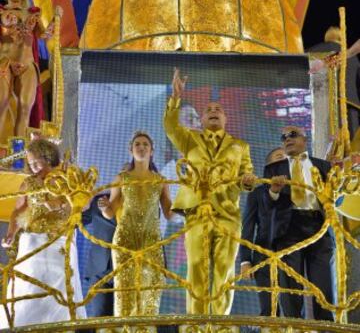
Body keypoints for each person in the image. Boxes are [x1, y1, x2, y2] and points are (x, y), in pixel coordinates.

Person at [163, 68, 256, 315]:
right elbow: (171, 127)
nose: (213, 112)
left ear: (226, 120)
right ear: (202, 120)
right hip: (197, 213)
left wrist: (247, 180)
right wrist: (175, 97)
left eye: (219, 110)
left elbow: (247, 177)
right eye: (208, 110)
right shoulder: (190, 139)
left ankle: (219, 325)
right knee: (195, 267)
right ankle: (196, 324)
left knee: (224, 270)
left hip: (227, 214)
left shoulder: (240, 146)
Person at [0, 138, 86, 328]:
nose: (33, 167)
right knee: (30, 285)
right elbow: (18, 210)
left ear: (48, 158)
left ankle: (59, 327)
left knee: (60, 288)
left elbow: (83, 204)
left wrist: (61, 205)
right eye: (30, 164)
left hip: (60, 242)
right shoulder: (28, 183)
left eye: (36, 162)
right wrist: (11, 233)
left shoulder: (66, 178)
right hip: (32, 242)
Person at [98, 131, 173, 317]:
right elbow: (110, 213)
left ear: (152, 151)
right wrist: (103, 207)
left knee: (151, 291)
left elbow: (169, 213)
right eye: (137, 144)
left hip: (152, 242)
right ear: (130, 150)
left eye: (145, 144)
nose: (141, 147)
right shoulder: (122, 178)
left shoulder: (160, 181)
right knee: (125, 293)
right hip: (125, 242)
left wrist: (188, 206)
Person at [263, 126, 335, 321]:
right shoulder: (273, 169)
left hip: (318, 226)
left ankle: (326, 327)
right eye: (283, 137)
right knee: (290, 289)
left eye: (293, 134)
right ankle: (294, 327)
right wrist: (274, 191)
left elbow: (337, 198)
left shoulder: (324, 167)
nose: (287, 139)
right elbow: (266, 205)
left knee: (323, 285)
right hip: (288, 229)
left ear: (305, 140)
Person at [0, 0, 62, 138]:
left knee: (25, 108)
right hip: (5, 65)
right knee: (2, 105)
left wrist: (55, 22)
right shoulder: (1, 13)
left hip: (27, 65)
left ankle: (18, 153)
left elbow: (44, 35)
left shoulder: (33, 14)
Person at [239, 147, 286, 316]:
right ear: (269, 166)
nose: (285, 160)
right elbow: (248, 227)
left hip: (293, 254)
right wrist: (245, 260)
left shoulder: (300, 190)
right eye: (280, 157)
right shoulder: (257, 193)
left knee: (294, 308)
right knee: (269, 309)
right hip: (263, 255)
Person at [307, 27, 360, 137]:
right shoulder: (352, 57)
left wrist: (324, 62)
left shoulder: (312, 50)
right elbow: (349, 53)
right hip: (348, 103)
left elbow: (348, 53)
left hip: (317, 100)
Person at [82, 192, 116, 318]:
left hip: (130, 268)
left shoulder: (143, 200)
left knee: (126, 319)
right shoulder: (99, 200)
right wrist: (80, 205)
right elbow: (76, 221)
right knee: (100, 318)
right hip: (100, 271)